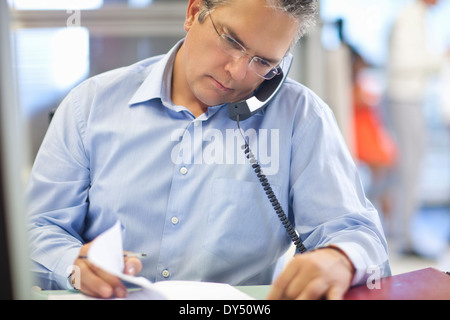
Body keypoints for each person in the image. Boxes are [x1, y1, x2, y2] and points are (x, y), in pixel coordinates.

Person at [26, 0, 390, 300]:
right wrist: (72, 264)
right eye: (231, 41)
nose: (235, 72)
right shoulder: (90, 105)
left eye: (263, 62)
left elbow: (357, 232)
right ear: (193, 13)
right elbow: (37, 228)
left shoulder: (301, 118)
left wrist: (340, 258)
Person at [386, 0, 447, 255]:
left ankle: (402, 231)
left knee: (408, 167)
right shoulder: (409, 18)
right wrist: (440, 58)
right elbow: (403, 62)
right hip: (404, 98)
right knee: (409, 168)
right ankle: (403, 236)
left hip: (410, 99)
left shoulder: (416, 17)